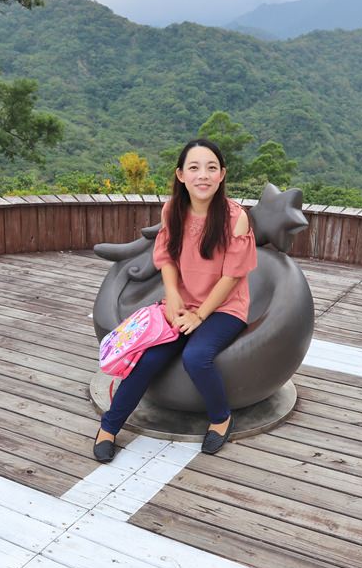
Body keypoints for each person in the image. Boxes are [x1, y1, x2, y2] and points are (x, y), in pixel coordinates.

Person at [94, 139, 257, 462]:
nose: (203, 176)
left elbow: (232, 276)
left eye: (211, 168)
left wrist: (200, 316)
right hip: (181, 303)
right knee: (148, 359)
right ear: (180, 175)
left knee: (196, 357)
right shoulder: (173, 209)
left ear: (222, 175)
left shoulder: (235, 218)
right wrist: (171, 295)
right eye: (194, 168)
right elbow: (166, 257)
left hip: (223, 308)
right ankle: (109, 427)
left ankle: (221, 418)